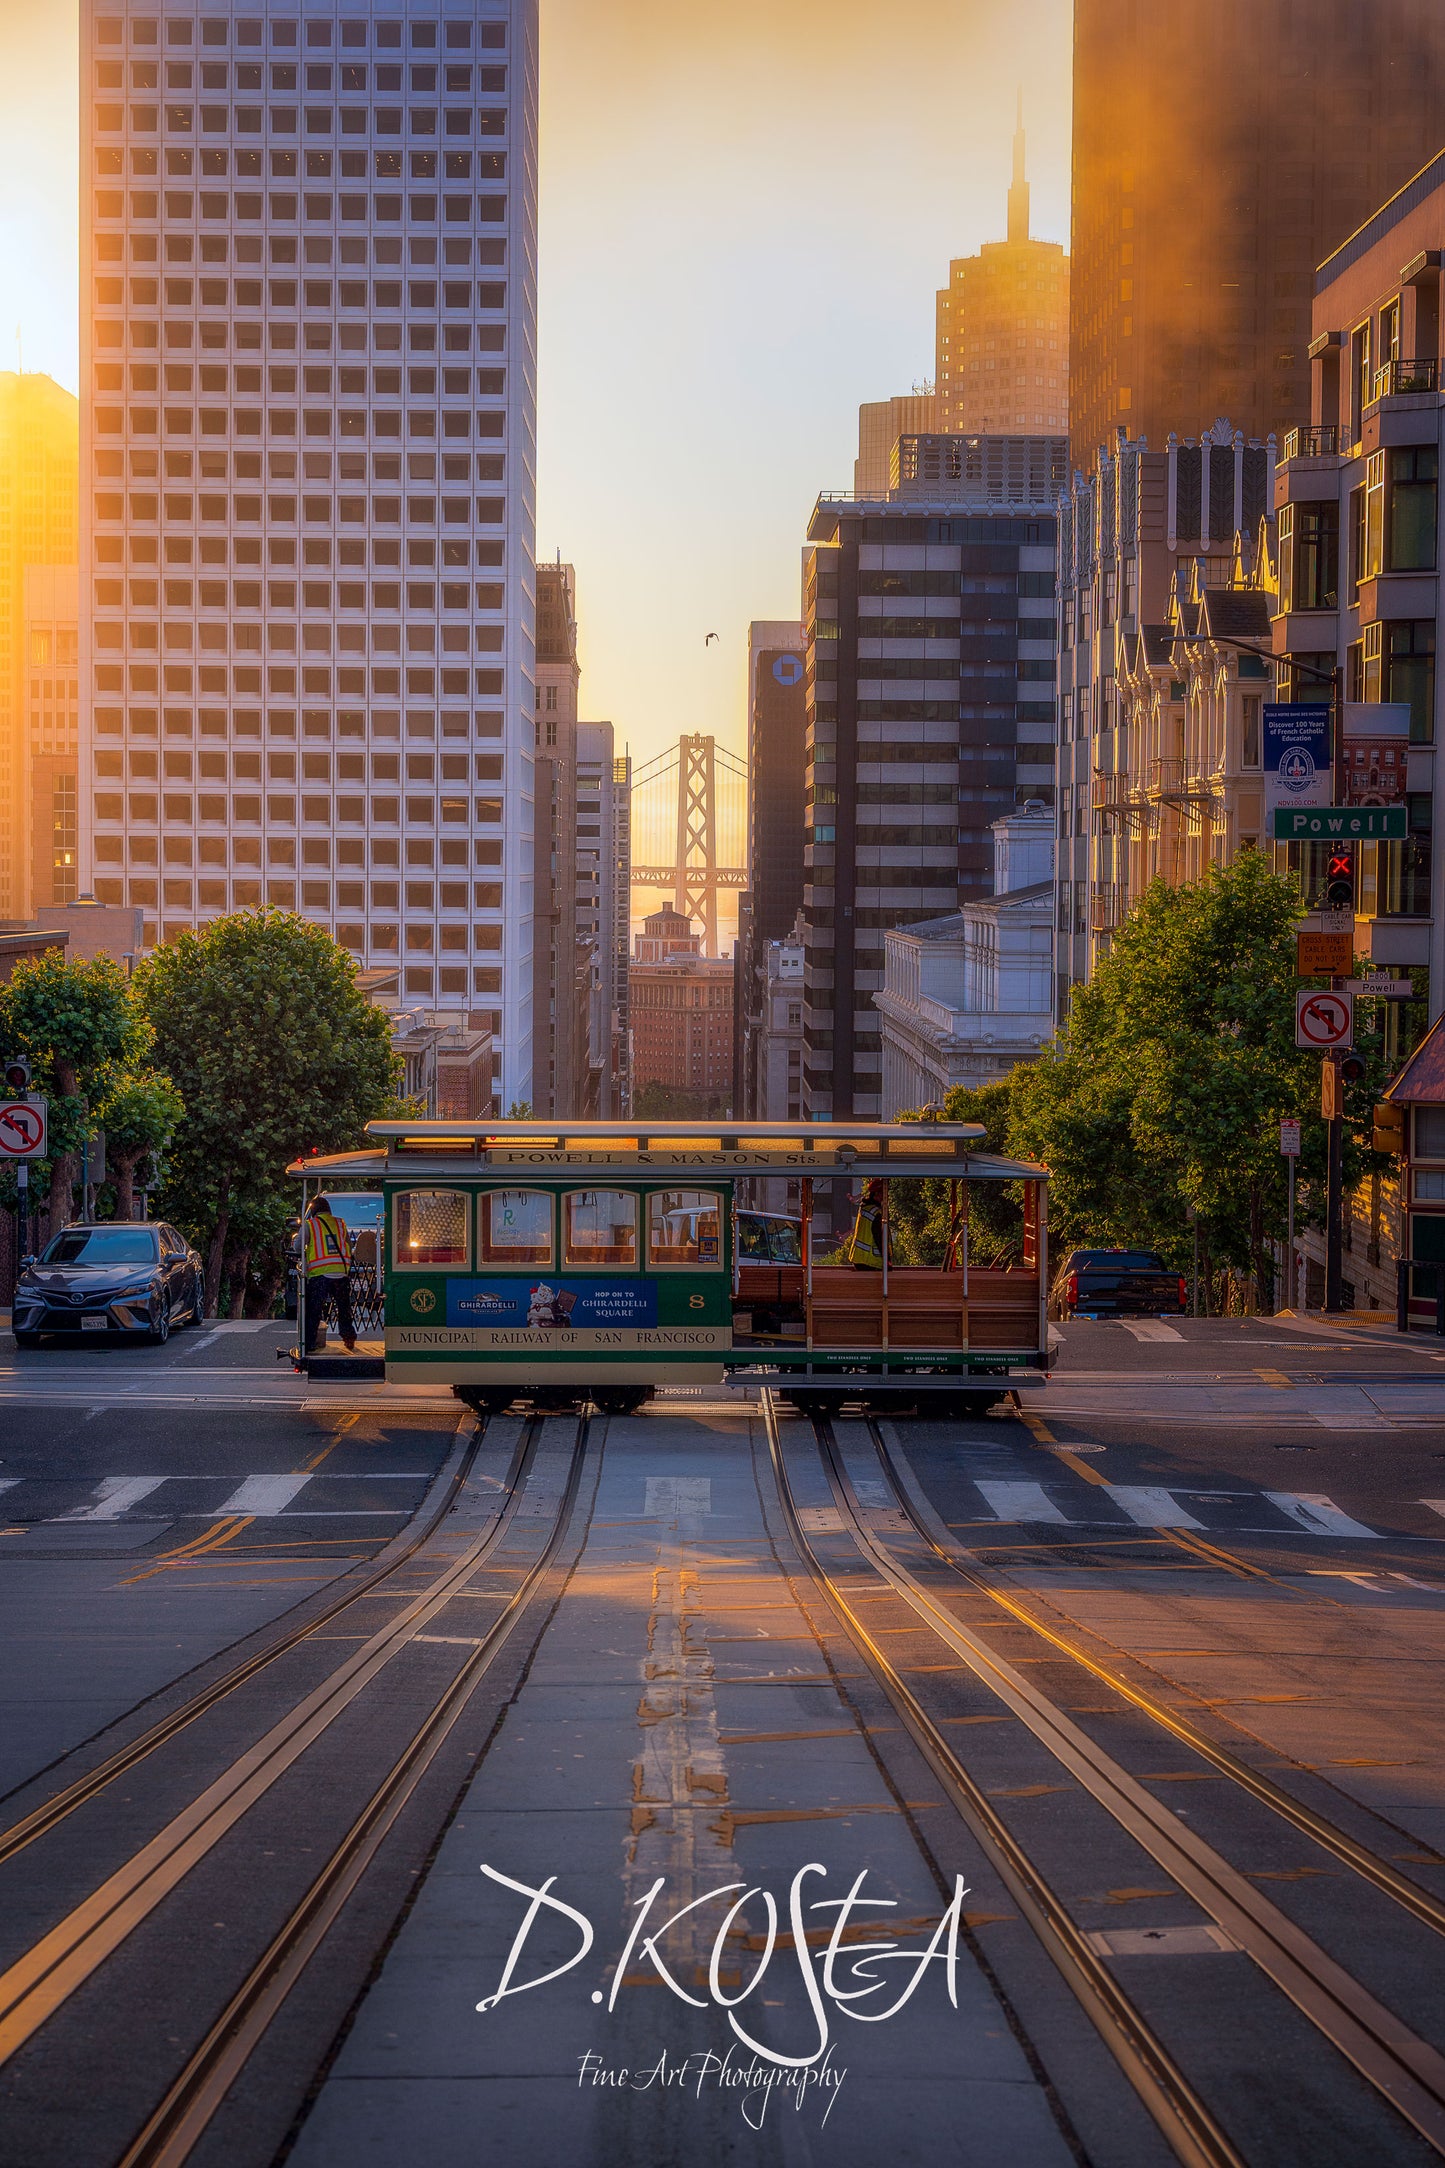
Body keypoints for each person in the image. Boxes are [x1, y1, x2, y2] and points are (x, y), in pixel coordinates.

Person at [303, 1195, 357, 1353]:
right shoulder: (340, 1223)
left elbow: (298, 1245)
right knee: (344, 1307)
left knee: (314, 1309)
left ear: (313, 1211)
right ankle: (349, 1337)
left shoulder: (310, 1225)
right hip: (341, 1272)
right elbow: (349, 1244)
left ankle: (310, 1342)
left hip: (320, 1274)